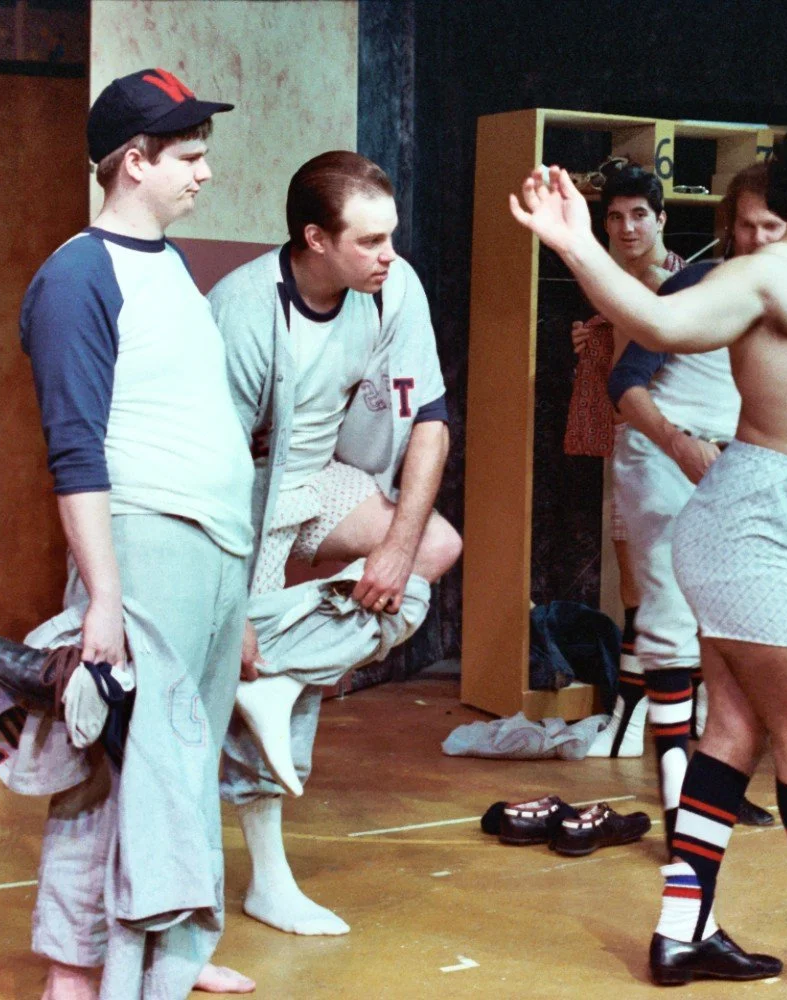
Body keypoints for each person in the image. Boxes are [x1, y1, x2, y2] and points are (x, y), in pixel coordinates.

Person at [512, 110, 787, 991]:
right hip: (756, 529)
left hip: (779, 527)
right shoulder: (768, 273)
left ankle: (684, 932)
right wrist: (574, 243)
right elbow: (655, 320)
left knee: (734, 732)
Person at [0, 68, 256, 998]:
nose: (204, 172)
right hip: (144, 546)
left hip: (212, 553)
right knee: (109, 766)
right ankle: (73, 971)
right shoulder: (76, 276)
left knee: (184, 766)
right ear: (135, 161)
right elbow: (75, 449)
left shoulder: (166, 263)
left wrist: (238, 588)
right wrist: (103, 596)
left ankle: (174, 954)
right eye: (189, 157)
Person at [208, 151, 461, 934]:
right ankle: (267, 877)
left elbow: (431, 423)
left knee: (431, 550)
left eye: (391, 236)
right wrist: (233, 610)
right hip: (243, 494)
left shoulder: (394, 287)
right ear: (316, 240)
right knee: (237, 656)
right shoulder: (244, 309)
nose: (389, 255)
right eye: (370, 241)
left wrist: (394, 547)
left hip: (319, 477)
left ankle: (285, 670)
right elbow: (213, 466)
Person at [603, 163, 785, 842]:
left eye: (772, 226)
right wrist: (678, 444)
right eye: (747, 225)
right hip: (665, 452)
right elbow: (624, 383)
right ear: (729, 227)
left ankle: (712, 790)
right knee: (672, 623)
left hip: (732, 467)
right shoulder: (694, 284)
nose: (758, 238)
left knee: (731, 631)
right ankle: (682, 806)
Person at [567, 164, 685, 758]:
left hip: (674, 446)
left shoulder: (679, 282)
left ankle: (638, 720)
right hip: (630, 446)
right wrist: (594, 345)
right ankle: (644, 715)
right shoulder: (614, 280)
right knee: (642, 591)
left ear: (661, 218)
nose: (627, 227)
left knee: (662, 591)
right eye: (615, 217)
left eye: (640, 215)